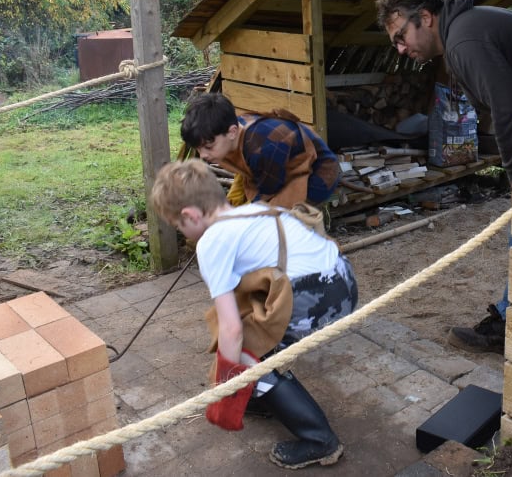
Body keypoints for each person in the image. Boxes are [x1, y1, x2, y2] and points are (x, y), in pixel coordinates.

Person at [151, 159, 358, 468]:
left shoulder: (211, 241)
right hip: (344, 279)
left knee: (249, 356)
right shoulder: (252, 208)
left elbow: (231, 328)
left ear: (190, 215)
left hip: (319, 297)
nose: (183, 234)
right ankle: (263, 395)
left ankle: (320, 441)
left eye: (179, 226)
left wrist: (227, 383)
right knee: (252, 341)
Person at [375, 0, 512, 354]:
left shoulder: (462, 41)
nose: (401, 49)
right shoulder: (466, 28)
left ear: (425, 18)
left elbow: (508, 110)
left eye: (401, 36)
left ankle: (510, 325)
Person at [180, 92, 340, 209]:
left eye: (208, 147)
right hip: (278, 170)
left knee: (277, 221)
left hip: (317, 174)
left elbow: (265, 199)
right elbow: (242, 168)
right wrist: (233, 202)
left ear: (232, 132)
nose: (203, 155)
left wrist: (236, 218)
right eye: (198, 149)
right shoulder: (227, 135)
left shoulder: (262, 148)